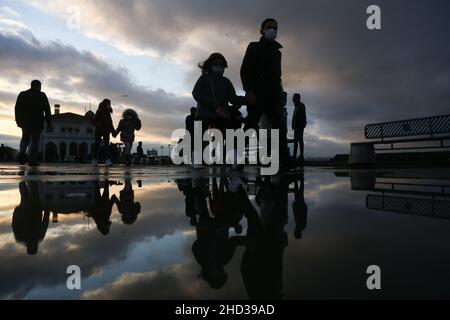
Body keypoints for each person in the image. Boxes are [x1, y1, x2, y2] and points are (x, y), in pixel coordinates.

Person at [240, 18, 289, 169]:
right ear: (262, 30)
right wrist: (249, 91)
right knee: (250, 125)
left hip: (273, 97)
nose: (273, 30)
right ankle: (236, 156)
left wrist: (280, 95)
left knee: (279, 127)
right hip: (256, 94)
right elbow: (245, 70)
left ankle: (284, 160)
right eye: (270, 27)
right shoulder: (253, 47)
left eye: (275, 28)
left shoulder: (277, 53)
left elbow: (277, 76)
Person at [192, 53, 246, 169]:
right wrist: (211, 102)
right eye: (216, 64)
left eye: (222, 64)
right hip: (204, 113)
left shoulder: (226, 81)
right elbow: (195, 93)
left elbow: (233, 98)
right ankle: (197, 159)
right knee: (200, 135)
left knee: (229, 132)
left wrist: (246, 100)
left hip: (220, 114)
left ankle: (233, 157)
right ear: (210, 65)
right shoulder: (204, 79)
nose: (219, 67)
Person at [14, 80, 52, 166]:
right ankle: (32, 160)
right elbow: (47, 109)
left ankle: (22, 154)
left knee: (25, 138)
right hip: (37, 123)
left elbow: (17, 108)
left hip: (25, 122)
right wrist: (49, 121)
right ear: (39, 86)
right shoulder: (42, 95)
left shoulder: (22, 94)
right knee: (35, 141)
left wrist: (17, 120)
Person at [91, 99, 115, 166]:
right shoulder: (99, 111)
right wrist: (100, 125)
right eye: (108, 103)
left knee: (107, 145)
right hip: (99, 131)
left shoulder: (108, 112)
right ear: (105, 104)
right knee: (97, 144)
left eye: (109, 104)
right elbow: (93, 121)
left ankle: (107, 160)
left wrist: (113, 131)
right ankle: (94, 160)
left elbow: (110, 123)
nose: (109, 105)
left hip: (106, 131)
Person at [292, 93, 307, 161]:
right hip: (297, 126)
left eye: (294, 98)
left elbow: (302, 116)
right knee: (296, 141)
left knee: (300, 140)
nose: (293, 99)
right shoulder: (296, 106)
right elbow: (294, 117)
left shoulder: (301, 105)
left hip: (299, 126)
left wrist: (301, 125)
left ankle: (301, 155)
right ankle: (295, 155)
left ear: (298, 98)